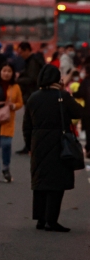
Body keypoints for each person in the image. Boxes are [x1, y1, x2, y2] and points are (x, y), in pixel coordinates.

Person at [23, 64, 83, 232]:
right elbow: (79, 112)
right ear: (58, 79)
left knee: (41, 181)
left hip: (38, 141)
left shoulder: (33, 98)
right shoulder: (62, 96)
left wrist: (29, 145)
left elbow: (26, 125)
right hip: (58, 142)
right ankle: (52, 220)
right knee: (56, 182)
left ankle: (40, 218)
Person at [16, 41, 45, 154]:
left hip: (32, 95)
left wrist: (18, 80)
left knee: (30, 122)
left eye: (21, 52)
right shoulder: (31, 61)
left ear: (27, 50)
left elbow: (32, 79)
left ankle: (31, 145)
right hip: (32, 95)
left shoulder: (33, 62)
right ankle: (30, 145)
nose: (20, 54)